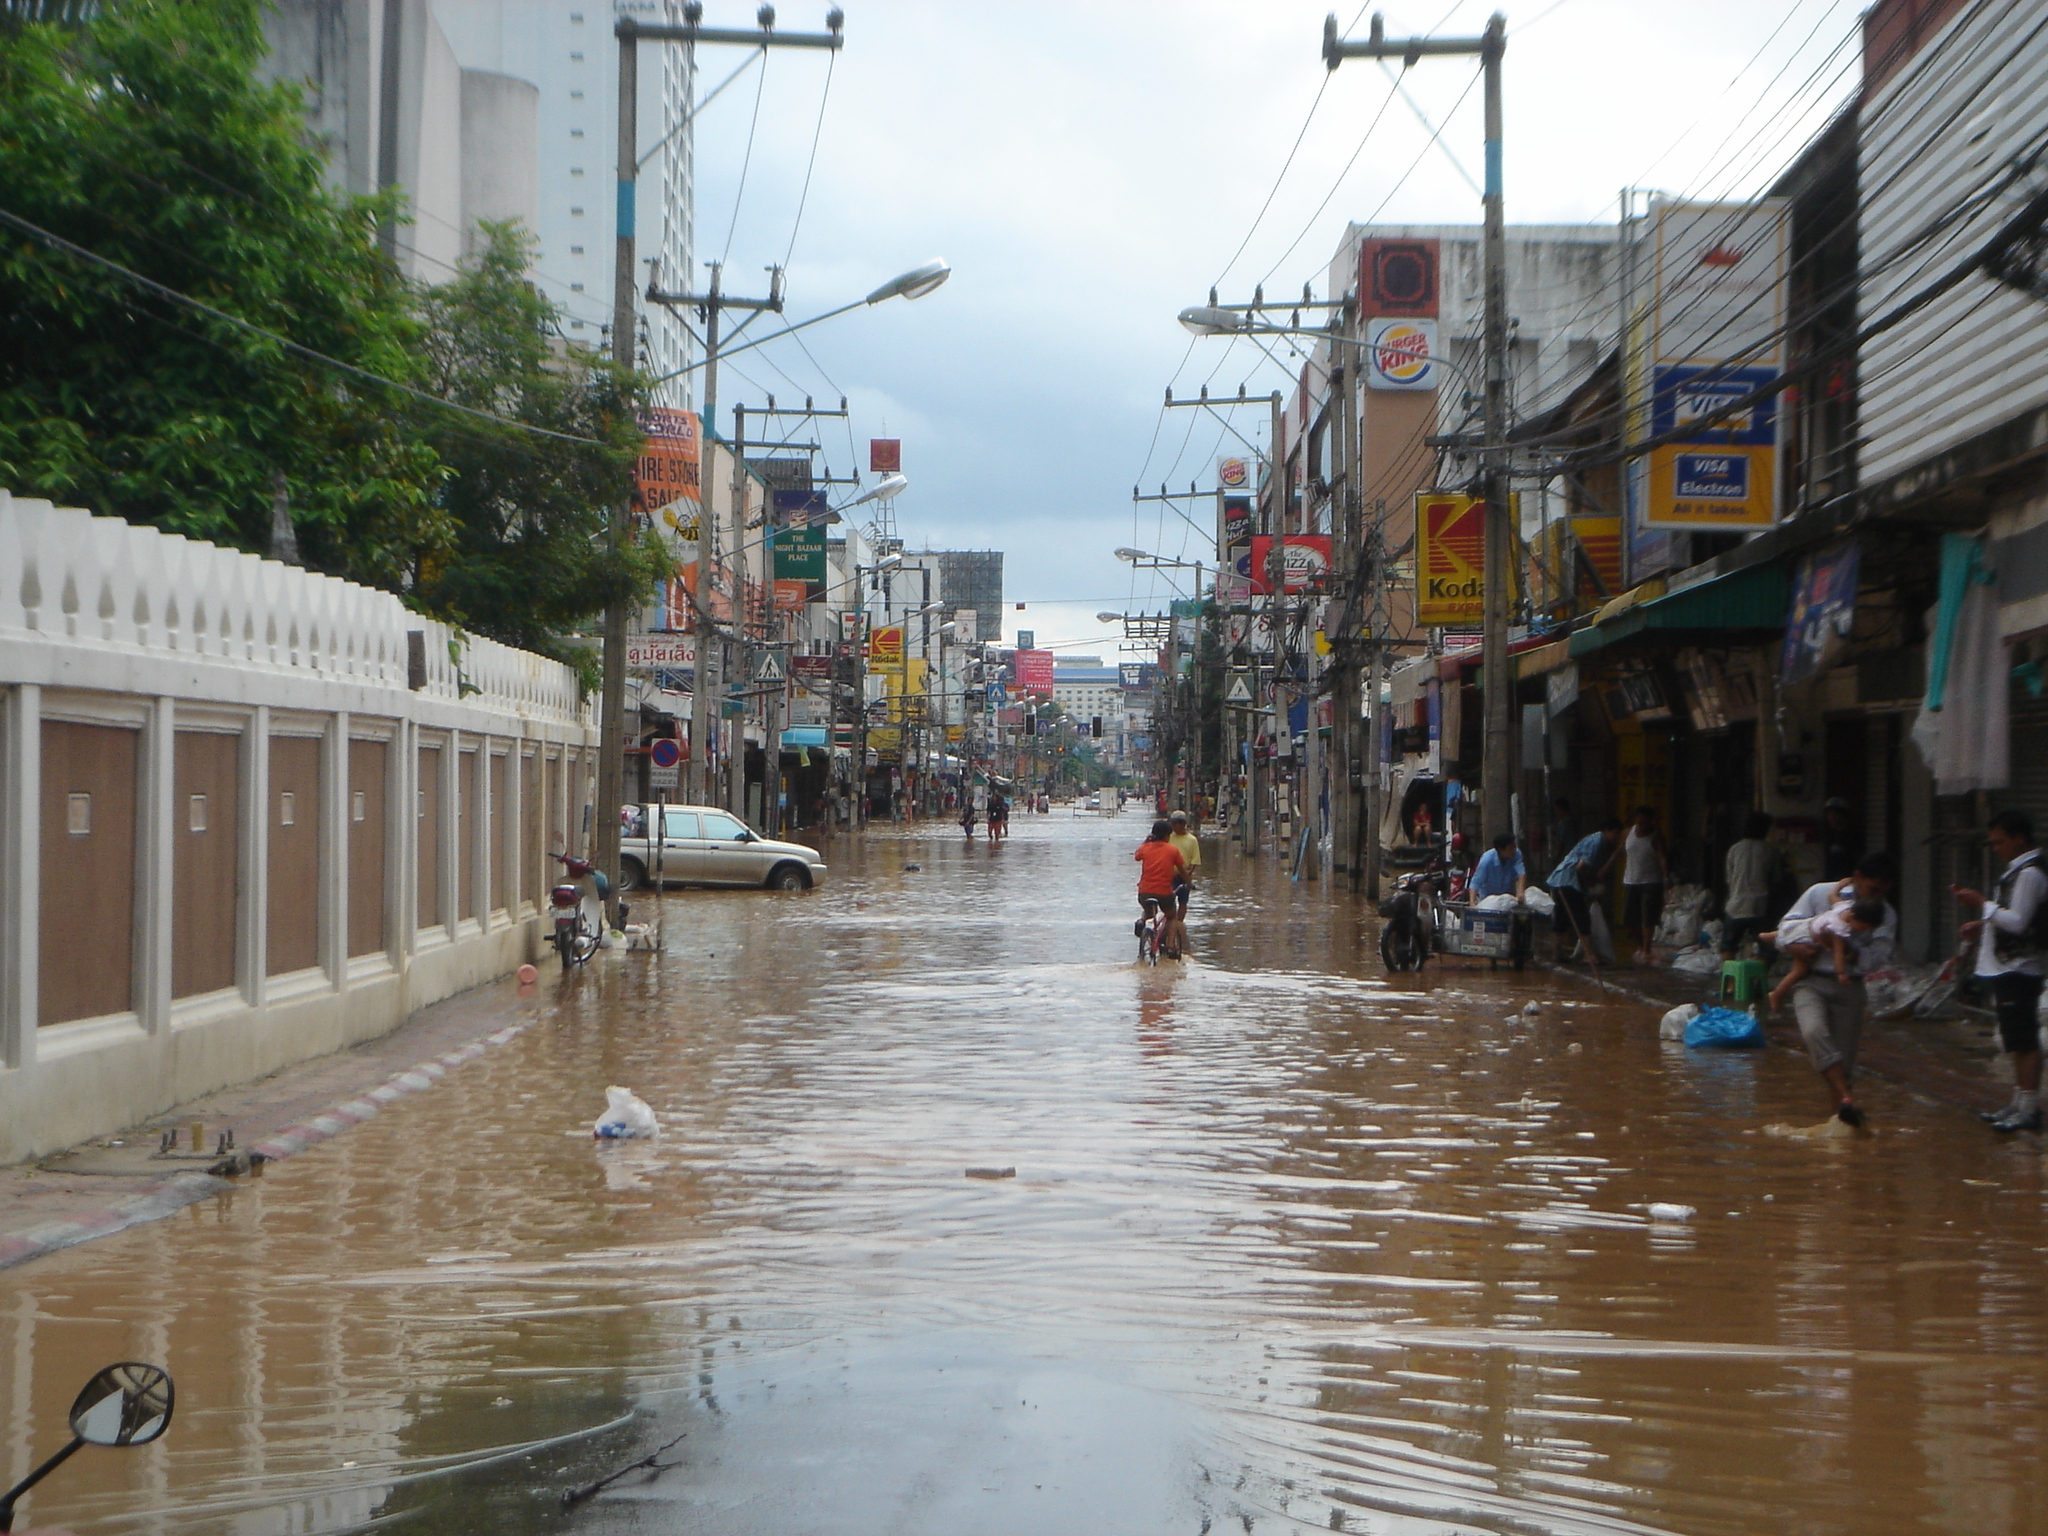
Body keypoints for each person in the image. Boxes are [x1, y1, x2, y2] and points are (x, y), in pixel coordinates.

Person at [1776, 850, 1898, 1128]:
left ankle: (1840, 1125)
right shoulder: (1820, 894)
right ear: (1857, 878)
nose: (1876, 896)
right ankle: (1846, 1098)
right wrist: (1795, 946)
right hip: (1810, 980)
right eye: (1872, 888)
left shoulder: (1885, 914)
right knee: (1813, 1031)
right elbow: (1784, 929)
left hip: (1850, 989)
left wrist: (1845, 951)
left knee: (1844, 1066)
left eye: (1883, 891)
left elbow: (1879, 956)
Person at [1951, 809, 2048, 1132]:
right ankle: (2019, 1102)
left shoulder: (2030, 874)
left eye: (1999, 842)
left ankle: (2029, 1107)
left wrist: (1982, 904)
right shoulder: (2017, 872)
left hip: (2021, 966)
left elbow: (2018, 922)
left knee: (2024, 1040)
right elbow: (2011, 918)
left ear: (2019, 839)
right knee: (2016, 1039)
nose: (1996, 848)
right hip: (2009, 965)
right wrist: (1984, 925)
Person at [1762, 896, 1886, 1013]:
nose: (1862, 931)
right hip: (1806, 939)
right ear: (1853, 916)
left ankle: (1767, 936)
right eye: (1862, 927)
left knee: (1780, 933)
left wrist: (1839, 885)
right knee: (1799, 971)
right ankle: (1776, 994)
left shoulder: (1843, 906)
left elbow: (1832, 896)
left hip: (1803, 926)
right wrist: (1841, 973)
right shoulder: (1839, 929)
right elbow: (1838, 953)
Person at [1546, 819, 1623, 961]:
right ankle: (1588, 954)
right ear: (1607, 830)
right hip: (1569, 882)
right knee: (1582, 918)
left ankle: (1557, 953)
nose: (1616, 838)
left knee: (1562, 918)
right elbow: (1581, 868)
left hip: (1560, 881)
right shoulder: (1596, 842)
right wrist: (1591, 881)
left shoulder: (1596, 841)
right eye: (1616, 834)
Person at [1720, 811, 1782, 960]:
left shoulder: (1734, 850)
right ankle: (1756, 980)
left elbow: (1729, 881)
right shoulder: (1771, 850)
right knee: (1766, 950)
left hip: (1735, 906)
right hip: (1760, 907)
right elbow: (1776, 879)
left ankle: (1729, 981)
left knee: (1728, 946)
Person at [1621, 805, 1670, 965]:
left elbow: (1662, 857)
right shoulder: (1628, 833)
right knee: (1630, 919)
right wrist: (1606, 868)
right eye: (1639, 823)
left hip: (1651, 881)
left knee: (1647, 917)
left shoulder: (1656, 837)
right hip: (1631, 881)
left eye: (1645, 823)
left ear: (1651, 823)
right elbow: (1619, 852)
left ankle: (1647, 949)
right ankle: (1641, 945)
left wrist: (1665, 876)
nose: (1641, 827)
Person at [1134, 818, 1190, 958]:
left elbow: (1137, 856)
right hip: (1164, 892)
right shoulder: (1172, 850)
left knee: (1148, 912)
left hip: (1144, 891)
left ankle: (1141, 922)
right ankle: (1171, 946)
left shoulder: (1145, 848)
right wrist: (1188, 882)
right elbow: (1182, 871)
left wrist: (1146, 842)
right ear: (1167, 835)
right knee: (1171, 916)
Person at [1168, 810, 1202, 931]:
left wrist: (1189, 873)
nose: (1173, 826)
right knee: (1169, 901)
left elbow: (1195, 859)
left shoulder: (1192, 840)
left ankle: (1178, 924)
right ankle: (1171, 923)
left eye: (1175, 823)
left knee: (1183, 902)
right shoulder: (1168, 837)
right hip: (1170, 875)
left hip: (1184, 875)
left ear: (1182, 824)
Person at [1471, 832, 1527, 901]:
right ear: (1500, 850)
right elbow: (1476, 883)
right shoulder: (1487, 860)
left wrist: (1520, 891)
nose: (1514, 850)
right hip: (1489, 899)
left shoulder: (1516, 855)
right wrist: (1472, 903)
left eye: (1514, 846)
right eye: (1510, 848)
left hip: (1507, 898)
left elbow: (1521, 873)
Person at [1821, 797, 1863, 883]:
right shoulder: (1830, 835)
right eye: (1829, 814)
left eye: (1835, 814)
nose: (1832, 818)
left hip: (1848, 879)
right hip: (1831, 879)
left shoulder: (1853, 834)